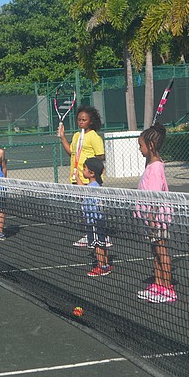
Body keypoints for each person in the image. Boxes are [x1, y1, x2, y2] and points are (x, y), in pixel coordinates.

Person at [135, 123, 176, 304]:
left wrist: (152, 221)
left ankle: (168, 288)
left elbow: (154, 198)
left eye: (141, 146)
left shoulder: (156, 168)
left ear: (150, 146)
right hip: (151, 221)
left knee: (161, 251)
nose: (139, 149)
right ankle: (159, 285)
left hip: (157, 220)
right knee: (155, 251)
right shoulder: (151, 165)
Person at [59, 106, 110, 247]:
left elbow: (100, 156)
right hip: (77, 178)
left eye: (84, 120)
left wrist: (94, 172)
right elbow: (72, 152)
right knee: (85, 209)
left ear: (91, 122)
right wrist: (62, 137)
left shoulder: (94, 137)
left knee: (95, 210)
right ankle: (89, 235)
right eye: (79, 120)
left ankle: (102, 236)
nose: (80, 122)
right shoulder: (76, 136)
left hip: (90, 180)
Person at [78, 157, 111, 277]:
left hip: (94, 222)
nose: (83, 170)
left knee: (98, 244)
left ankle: (102, 266)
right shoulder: (93, 185)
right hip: (96, 221)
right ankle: (105, 264)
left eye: (84, 168)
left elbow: (91, 204)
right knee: (100, 243)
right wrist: (77, 178)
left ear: (91, 173)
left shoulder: (93, 188)